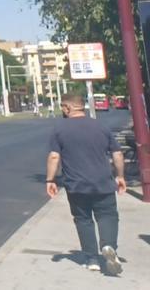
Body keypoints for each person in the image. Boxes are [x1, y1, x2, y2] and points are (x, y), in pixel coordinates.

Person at [46, 93, 126, 275]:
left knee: (83, 220)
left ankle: (91, 259)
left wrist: (50, 180)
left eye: (62, 108)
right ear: (82, 106)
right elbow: (118, 154)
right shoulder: (100, 126)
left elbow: (54, 156)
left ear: (67, 108)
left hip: (76, 185)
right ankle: (108, 246)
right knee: (108, 215)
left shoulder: (59, 129)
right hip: (103, 183)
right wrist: (120, 176)